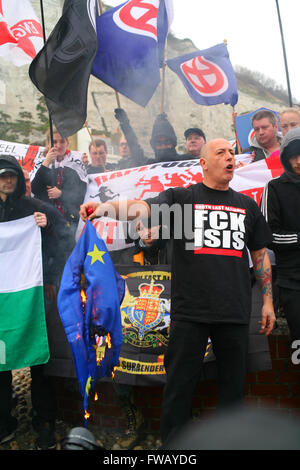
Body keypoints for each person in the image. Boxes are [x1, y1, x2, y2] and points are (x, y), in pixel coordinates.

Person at [79, 138, 276, 444]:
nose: (229, 158)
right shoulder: (182, 200)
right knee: (179, 389)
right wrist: (104, 207)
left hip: (234, 311)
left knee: (234, 392)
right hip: (190, 312)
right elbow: (140, 208)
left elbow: (260, 254)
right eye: (221, 153)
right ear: (204, 163)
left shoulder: (247, 206)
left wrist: (267, 301)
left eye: (232, 153)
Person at [0, 155, 58, 449]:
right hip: (2, 303)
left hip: (32, 296)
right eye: (2, 176)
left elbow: (63, 238)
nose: (7, 181)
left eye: (11, 175)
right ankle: (3, 421)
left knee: (38, 359)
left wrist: (47, 225)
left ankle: (44, 419)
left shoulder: (36, 209)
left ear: (19, 180)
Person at [110, 221, 172, 449]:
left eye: (152, 226)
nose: (147, 233)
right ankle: (134, 422)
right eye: (140, 228)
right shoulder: (125, 257)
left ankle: (179, 425)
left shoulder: (176, 251)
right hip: (134, 333)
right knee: (114, 360)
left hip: (171, 333)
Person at [260, 127, 300, 367]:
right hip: (293, 283)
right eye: (293, 155)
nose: (299, 160)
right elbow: (267, 235)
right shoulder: (274, 188)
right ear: (285, 158)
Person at [30, 128, 87, 239]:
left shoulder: (75, 164)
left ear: (67, 143)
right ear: (48, 143)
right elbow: (34, 189)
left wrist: (61, 193)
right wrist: (46, 163)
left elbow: (81, 194)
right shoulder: (41, 163)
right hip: (46, 222)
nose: (58, 145)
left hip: (69, 221)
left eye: (62, 141)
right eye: (54, 142)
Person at [114, 108, 185, 167]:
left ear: (173, 143)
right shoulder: (150, 165)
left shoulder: (186, 162)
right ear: (153, 145)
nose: (163, 146)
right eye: (159, 143)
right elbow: (136, 151)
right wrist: (125, 125)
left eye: (167, 142)